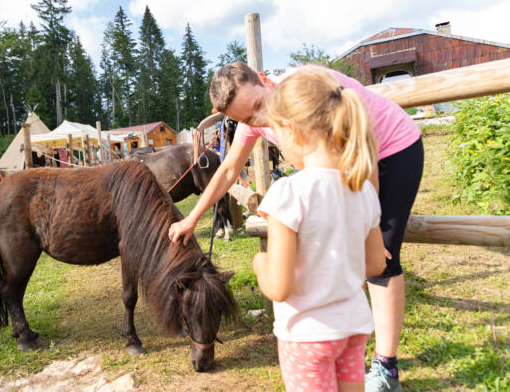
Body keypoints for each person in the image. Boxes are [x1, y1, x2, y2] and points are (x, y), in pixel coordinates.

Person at [168, 62, 424, 392]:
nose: (260, 121)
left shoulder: (308, 93)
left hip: (391, 147)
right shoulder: (267, 118)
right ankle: (344, 340)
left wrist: (361, 222)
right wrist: (193, 217)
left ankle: (386, 366)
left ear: (264, 80)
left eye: (259, 106)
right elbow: (230, 167)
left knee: (382, 265)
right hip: (348, 184)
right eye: (247, 119)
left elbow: (363, 150)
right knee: (360, 253)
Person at [253, 68, 387, 392]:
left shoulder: (289, 193)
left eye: (277, 134)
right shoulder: (363, 189)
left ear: (291, 130)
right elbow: (376, 265)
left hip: (307, 334)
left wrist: (259, 266)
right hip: (354, 327)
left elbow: (279, 288)